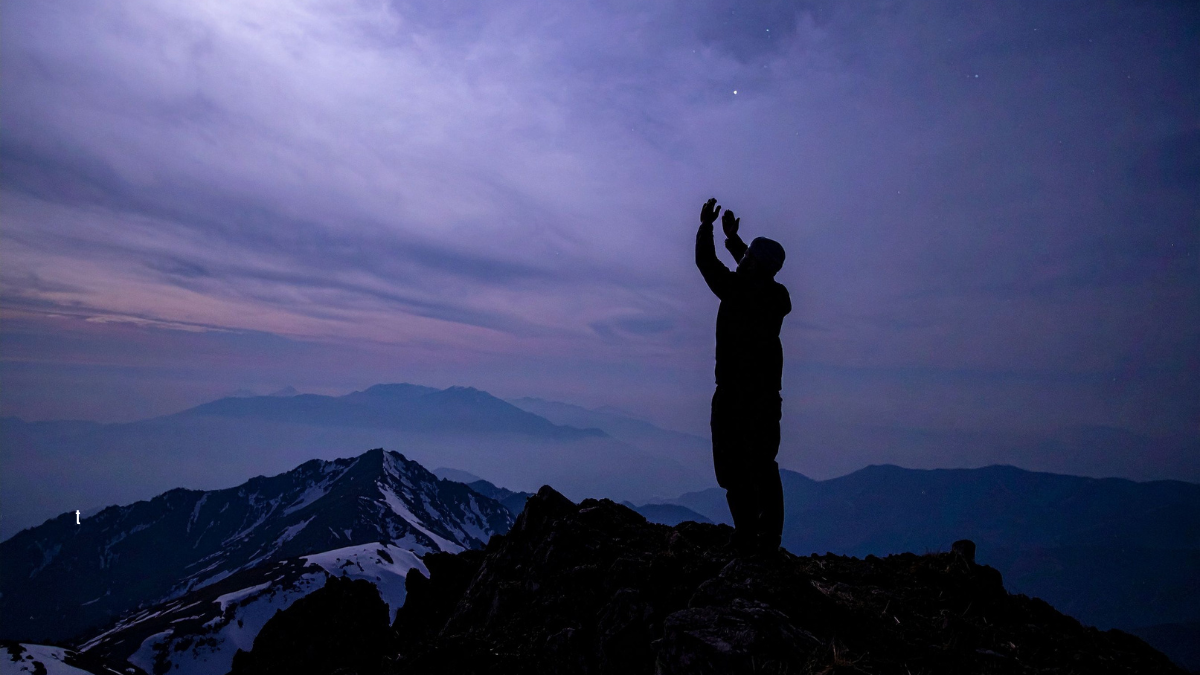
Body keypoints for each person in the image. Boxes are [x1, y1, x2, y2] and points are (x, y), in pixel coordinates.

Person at [695, 197, 790, 555]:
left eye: (748, 256)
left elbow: (707, 263)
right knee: (762, 466)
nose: (743, 260)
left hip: (735, 395)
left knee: (732, 468)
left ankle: (747, 534)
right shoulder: (773, 296)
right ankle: (767, 539)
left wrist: (706, 226)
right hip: (765, 398)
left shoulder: (738, 292)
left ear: (756, 265)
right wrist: (734, 240)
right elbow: (752, 273)